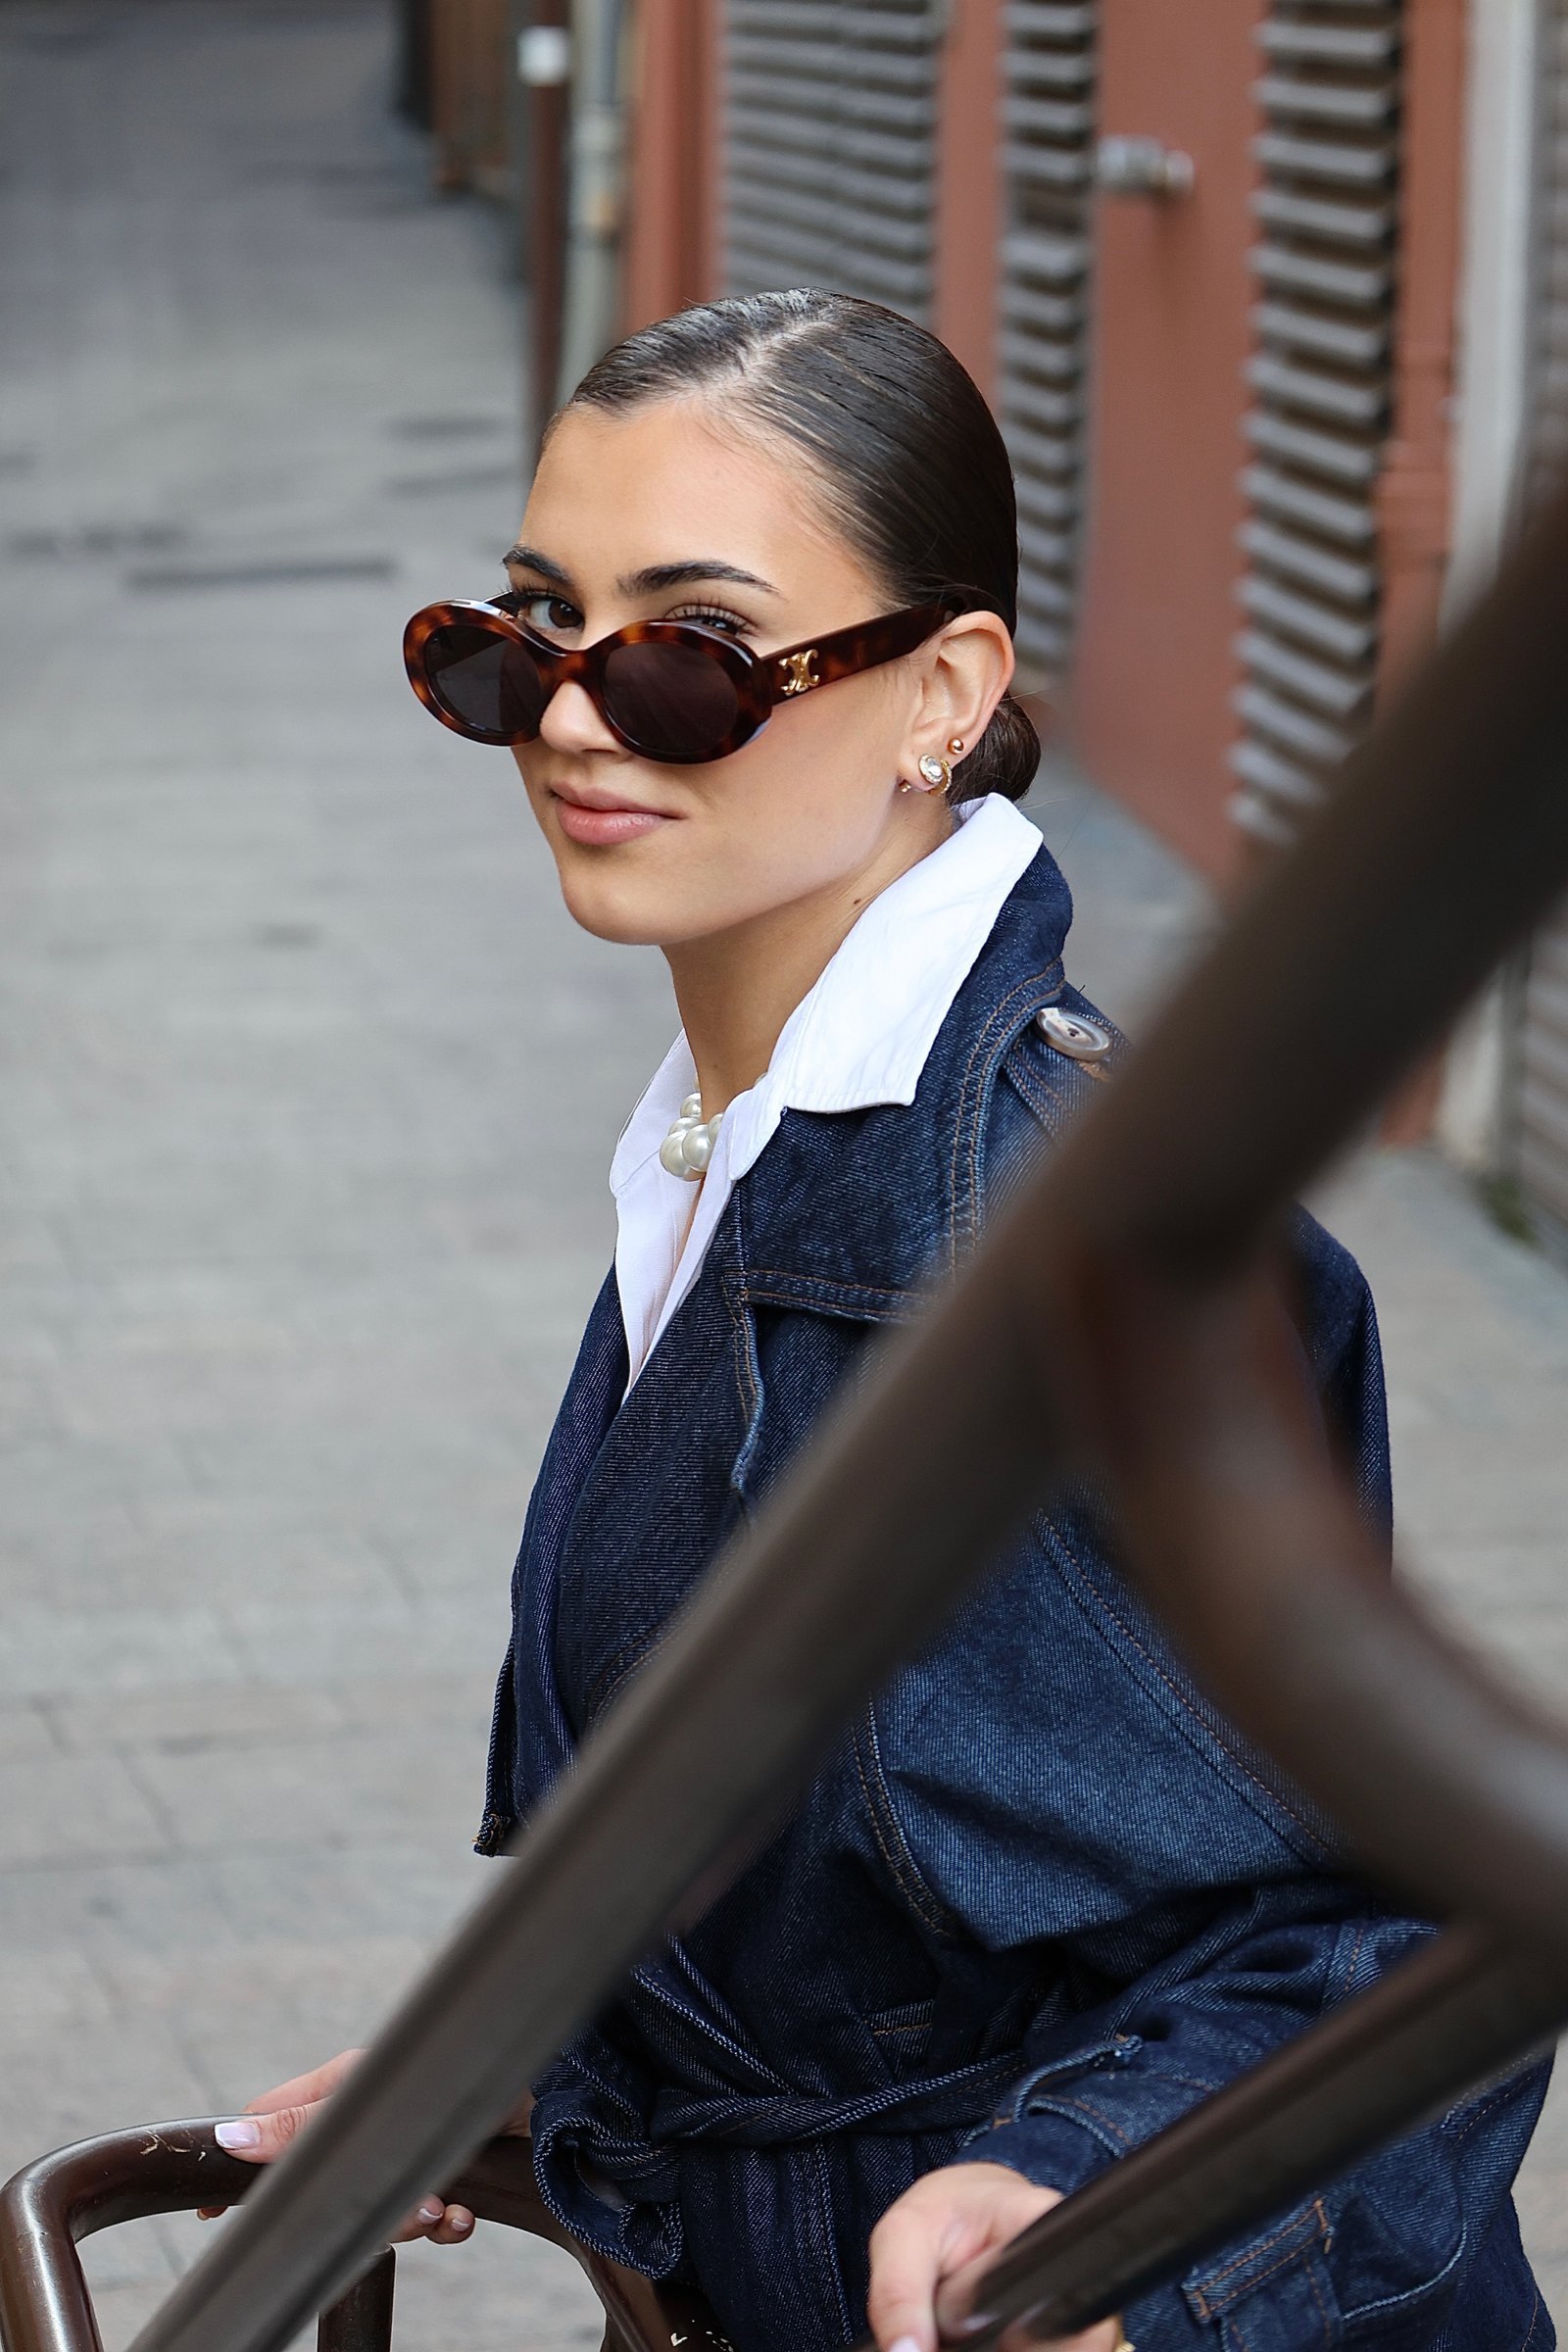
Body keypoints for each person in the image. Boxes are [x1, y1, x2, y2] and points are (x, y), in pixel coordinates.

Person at [214, 292, 1551, 2352]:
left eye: (685, 657)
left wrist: (1087, 2195)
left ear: (943, 693)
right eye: (519, 633)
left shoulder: (1030, 1250)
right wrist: (556, 2067)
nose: (573, 716)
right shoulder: (750, 1143)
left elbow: (1404, 1921)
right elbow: (862, 1883)